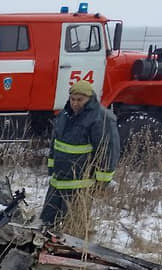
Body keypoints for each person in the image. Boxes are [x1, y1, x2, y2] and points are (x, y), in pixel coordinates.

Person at [40, 79, 120, 227]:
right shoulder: (64, 115)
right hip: (57, 182)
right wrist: (51, 169)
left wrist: (102, 181)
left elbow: (108, 150)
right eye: (73, 99)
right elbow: (55, 144)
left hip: (80, 184)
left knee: (73, 227)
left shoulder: (101, 118)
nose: (75, 103)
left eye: (80, 100)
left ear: (89, 99)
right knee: (46, 223)